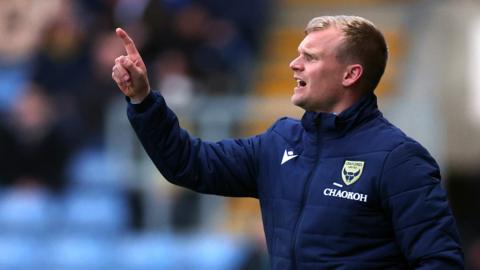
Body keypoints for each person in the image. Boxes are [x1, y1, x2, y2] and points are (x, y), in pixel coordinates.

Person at [111, 15, 464, 269]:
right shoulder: (279, 142)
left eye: (310, 57)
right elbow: (188, 163)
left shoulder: (398, 159)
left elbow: (439, 261)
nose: (294, 65)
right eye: (298, 54)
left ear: (350, 74)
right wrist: (143, 100)